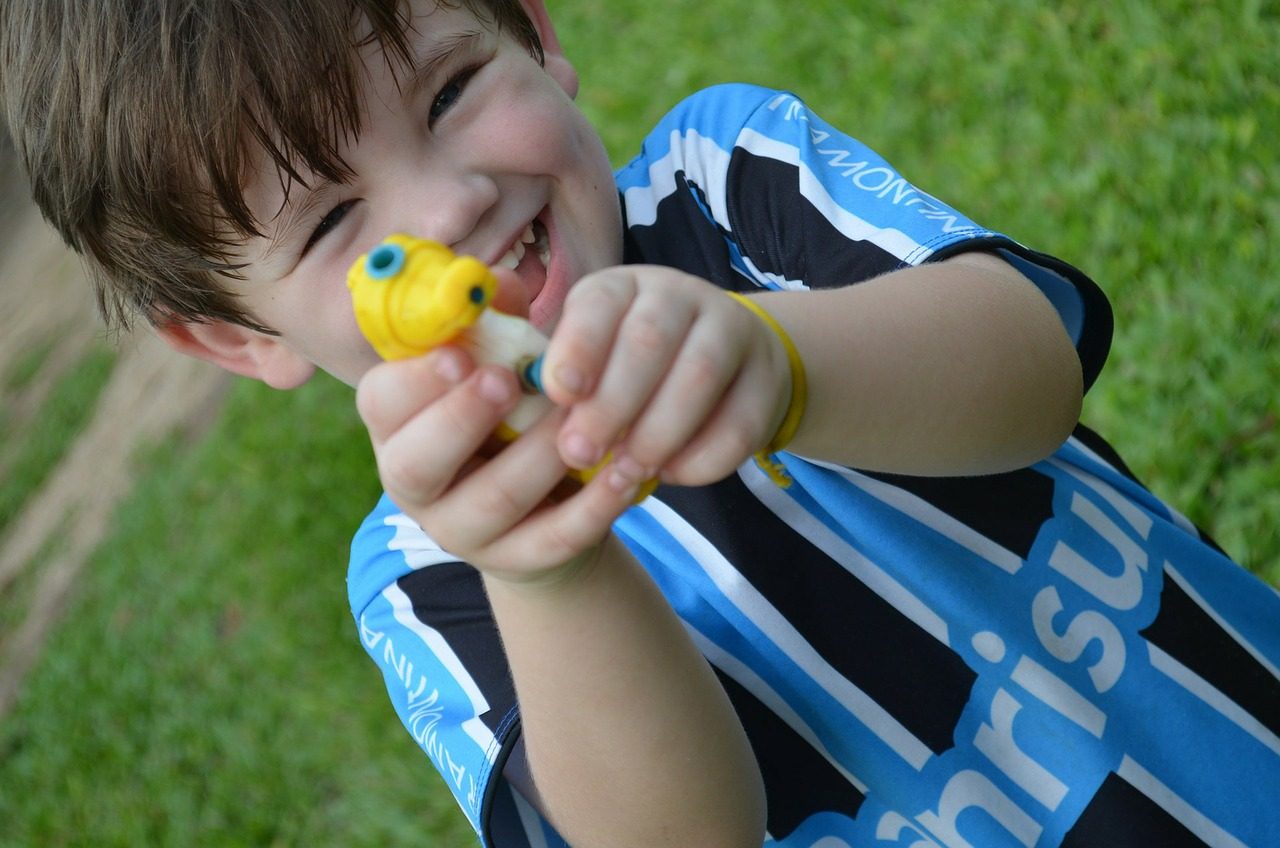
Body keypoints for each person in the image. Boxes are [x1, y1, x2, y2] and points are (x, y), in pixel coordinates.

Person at [4, 1, 1276, 845]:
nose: (447, 205)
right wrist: (548, 570)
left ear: (535, 33)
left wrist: (780, 364)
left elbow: (1031, 359)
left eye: (450, 92)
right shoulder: (428, 577)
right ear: (242, 337)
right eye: (337, 225)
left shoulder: (725, 184)